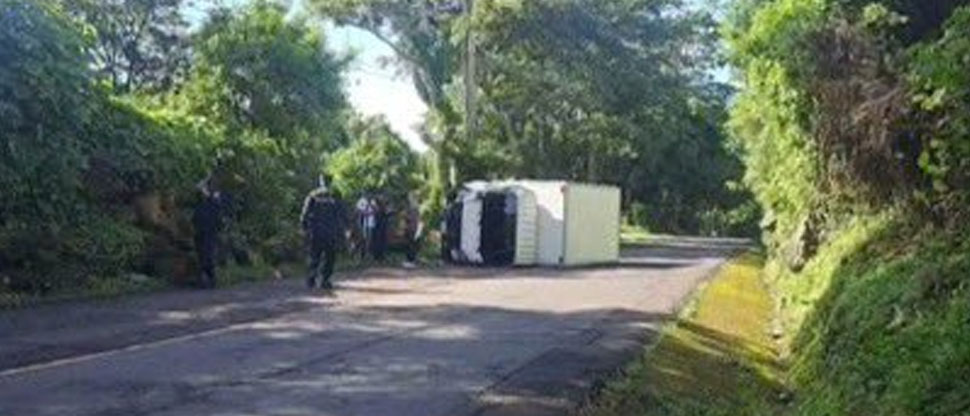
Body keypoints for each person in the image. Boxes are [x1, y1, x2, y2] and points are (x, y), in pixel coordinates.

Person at [300, 176, 345, 290]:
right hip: (331, 231)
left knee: (314, 255)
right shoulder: (336, 195)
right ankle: (325, 280)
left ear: (321, 182)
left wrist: (304, 228)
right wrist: (342, 230)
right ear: (330, 182)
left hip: (316, 230)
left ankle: (311, 279)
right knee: (330, 257)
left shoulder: (313, 195)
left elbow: (305, 213)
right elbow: (341, 213)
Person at [192, 176, 225, 289]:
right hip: (201, 228)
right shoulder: (202, 198)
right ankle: (204, 279)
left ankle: (211, 279)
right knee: (201, 253)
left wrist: (207, 193)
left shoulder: (215, 195)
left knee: (208, 253)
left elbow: (217, 207)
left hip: (210, 228)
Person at [402, 192, 423, 268]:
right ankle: (410, 260)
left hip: (412, 228)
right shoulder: (413, 207)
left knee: (411, 244)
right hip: (410, 228)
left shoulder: (414, 208)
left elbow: (413, 218)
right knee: (409, 244)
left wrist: (405, 216)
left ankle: (411, 260)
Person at [355, 193, 376, 260]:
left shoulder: (372, 201)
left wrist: (371, 209)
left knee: (369, 239)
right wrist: (364, 213)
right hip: (363, 223)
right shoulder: (361, 201)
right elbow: (358, 211)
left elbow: (375, 210)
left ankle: (368, 254)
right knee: (362, 239)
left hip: (370, 223)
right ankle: (360, 254)